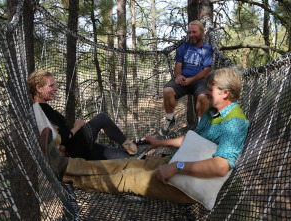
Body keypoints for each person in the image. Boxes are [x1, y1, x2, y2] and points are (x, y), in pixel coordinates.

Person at [42, 68, 249, 203]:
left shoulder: (235, 122)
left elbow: (221, 166)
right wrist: (161, 142)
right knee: (127, 164)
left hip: (187, 180)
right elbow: (193, 140)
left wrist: (176, 166)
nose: (205, 93)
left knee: (127, 178)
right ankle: (67, 165)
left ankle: (65, 175)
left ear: (225, 93)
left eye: (210, 89)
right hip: (177, 163)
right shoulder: (213, 112)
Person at [28, 70, 138, 162]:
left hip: (76, 149)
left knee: (116, 154)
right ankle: (131, 147)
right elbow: (63, 138)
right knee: (102, 118)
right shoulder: (43, 109)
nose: (55, 89)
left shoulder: (40, 109)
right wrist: (77, 126)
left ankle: (140, 157)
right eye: (51, 86)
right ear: (39, 88)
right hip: (74, 149)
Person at [160, 20, 213, 136]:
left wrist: (191, 80)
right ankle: (170, 118)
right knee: (167, 91)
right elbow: (177, 66)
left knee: (203, 97)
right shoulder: (183, 47)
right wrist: (178, 76)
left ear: (202, 33)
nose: (191, 35)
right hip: (183, 80)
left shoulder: (207, 49)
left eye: (194, 32)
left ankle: (202, 125)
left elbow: (206, 71)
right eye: (189, 33)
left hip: (199, 80)